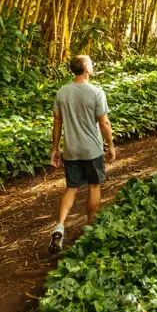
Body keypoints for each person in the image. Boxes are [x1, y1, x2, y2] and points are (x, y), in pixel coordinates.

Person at [49, 54, 116, 253]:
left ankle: (59, 226)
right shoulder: (96, 92)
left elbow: (57, 123)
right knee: (94, 186)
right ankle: (90, 226)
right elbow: (104, 122)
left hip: (71, 149)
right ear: (86, 68)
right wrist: (111, 144)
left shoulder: (62, 92)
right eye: (91, 63)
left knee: (71, 188)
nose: (93, 66)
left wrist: (55, 148)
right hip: (92, 149)